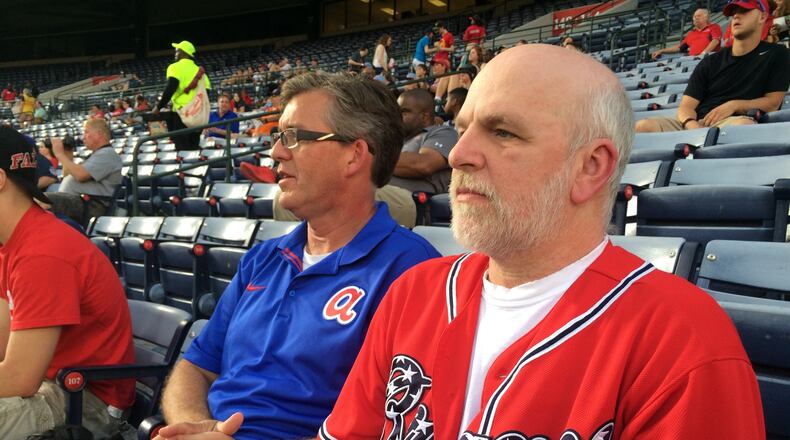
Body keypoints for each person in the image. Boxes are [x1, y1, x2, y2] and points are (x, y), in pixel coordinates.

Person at [320, 43, 765, 440]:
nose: (458, 154)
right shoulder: (414, 292)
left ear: (590, 168)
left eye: (502, 132)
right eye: (463, 128)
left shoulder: (685, 340)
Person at [152, 72, 440, 440]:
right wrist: (198, 427)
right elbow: (196, 367)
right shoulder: (263, 258)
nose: (276, 152)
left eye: (293, 137)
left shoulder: (414, 272)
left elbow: (402, 424)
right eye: (277, 136)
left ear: (354, 155)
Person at [0, 126, 135, 439]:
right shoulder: (13, 244)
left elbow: (20, 378)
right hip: (52, 384)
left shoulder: (43, 252)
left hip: (87, 401)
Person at [636, 0, 789, 132]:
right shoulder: (711, 61)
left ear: (762, 17)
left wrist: (734, 105)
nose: (736, 16)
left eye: (744, 11)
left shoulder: (778, 54)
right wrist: (692, 124)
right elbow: (686, 106)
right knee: (643, 126)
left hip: (732, 122)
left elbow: (773, 103)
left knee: (743, 126)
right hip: (695, 123)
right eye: (734, 12)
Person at [45, 118, 122, 224]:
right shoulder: (97, 155)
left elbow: (80, 175)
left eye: (86, 132)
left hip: (92, 205)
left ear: (99, 134)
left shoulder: (107, 154)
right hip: (80, 202)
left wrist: (60, 154)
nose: (83, 137)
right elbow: (67, 175)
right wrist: (67, 156)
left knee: (42, 200)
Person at [389, 89, 458, 194]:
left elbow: (423, 165)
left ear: (424, 117)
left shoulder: (444, 132)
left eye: (403, 112)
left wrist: (374, 159)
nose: (396, 117)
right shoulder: (398, 139)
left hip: (413, 198)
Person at [151, 40, 211, 151]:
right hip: (197, 115)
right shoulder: (201, 72)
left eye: (177, 51)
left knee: (182, 149)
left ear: (184, 52)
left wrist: (158, 107)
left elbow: (171, 88)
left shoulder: (174, 67)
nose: (175, 53)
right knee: (193, 147)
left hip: (181, 114)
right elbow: (207, 92)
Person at [651, 8, 722, 59]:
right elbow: (679, 48)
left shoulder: (714, 27)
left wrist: (703, 54)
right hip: (693, 59)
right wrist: (662, 51)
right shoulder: (691, 33)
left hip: (709, 58)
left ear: (706, 18)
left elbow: (715, 40)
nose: (695, 18)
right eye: (694, 16)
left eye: (699, 16)